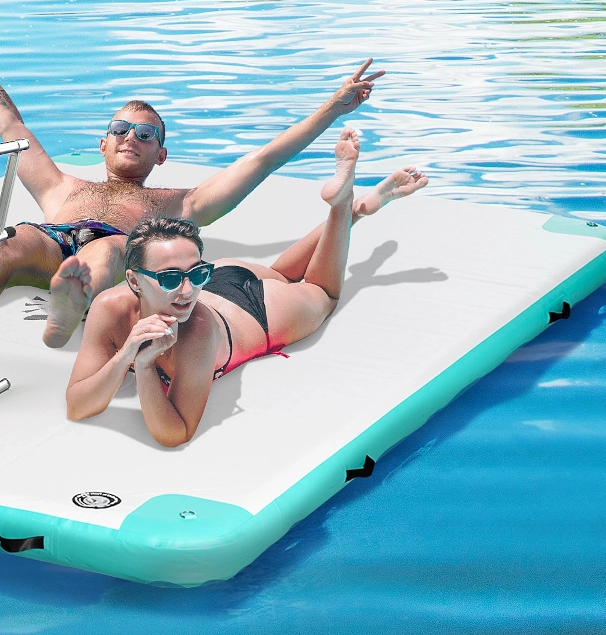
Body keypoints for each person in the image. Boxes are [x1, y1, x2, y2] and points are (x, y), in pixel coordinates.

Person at [0, 7, 386, 348]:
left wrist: (332, 108)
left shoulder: (179, 204)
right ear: (102, 143)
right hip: (52, 242)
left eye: (145, 134)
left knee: (110, 248)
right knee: (18, 237)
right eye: (119, 129)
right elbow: (9, 123)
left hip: (113, 252)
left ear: (161, 155)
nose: (129, 138)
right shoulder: (60, 186)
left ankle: (72, 306)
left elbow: (262, 160)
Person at [66, 130, 428, 446]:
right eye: (171, 278)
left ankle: (343, 206)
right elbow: (77, 405)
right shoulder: (109, 308)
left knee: (324, 293)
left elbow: (175, 433)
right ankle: (357, 208)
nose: (187, 290)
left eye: (196, 272)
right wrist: (127, 356)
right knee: (280, 272)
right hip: (227, 278)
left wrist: (144, 367)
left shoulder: (196, 329)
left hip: (257, 311)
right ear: (133, 281)